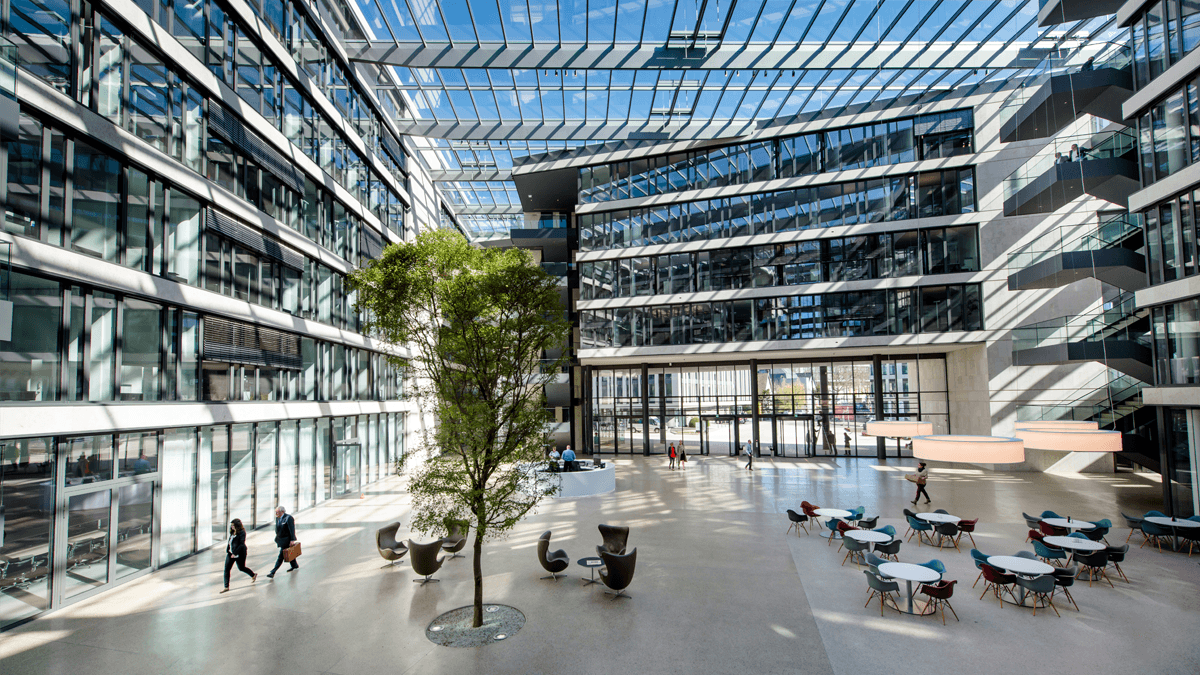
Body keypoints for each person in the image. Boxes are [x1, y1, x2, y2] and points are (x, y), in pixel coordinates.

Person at [222, 518, 256, 592]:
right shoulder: (232, 532)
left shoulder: (242, 532)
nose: (232, 527)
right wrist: (229, 550)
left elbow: (241, 544)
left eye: (233, 525)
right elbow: (230, 542)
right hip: (231, 553)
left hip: (240, 553)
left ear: (237, 526)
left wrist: (235, 553)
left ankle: (253, 575)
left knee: (241, 567)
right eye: (231, 525)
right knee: (227, 569)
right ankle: (226, 586)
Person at [267, 505, 299, 578]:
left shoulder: (289, 518)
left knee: (281, 556)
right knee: (289, 553)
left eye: (277, 512)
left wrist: (292, 539)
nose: (276, 514)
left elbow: (292, 529)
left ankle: (273, 572)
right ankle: (295, 565)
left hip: (287, 540)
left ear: (282, 512)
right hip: (281, 540)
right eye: (275, 512)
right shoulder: (277, 519)